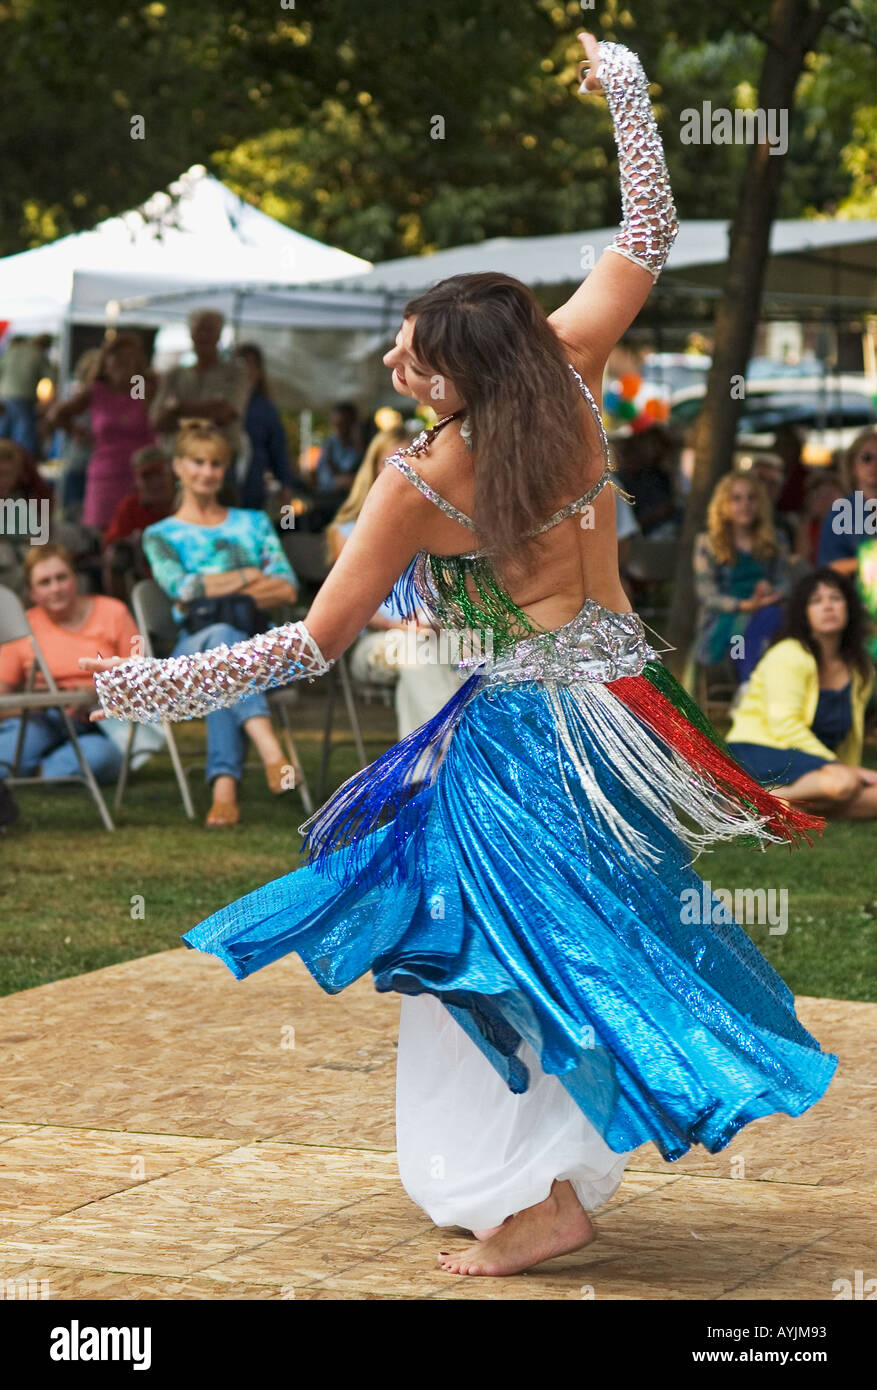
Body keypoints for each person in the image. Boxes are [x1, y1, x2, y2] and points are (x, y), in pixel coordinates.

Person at [84, 34, 836, 1281]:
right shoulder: (572, 371)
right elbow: (646, 230)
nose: (395, 362)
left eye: (416, 353)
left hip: (526, 742)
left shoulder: (423, 478)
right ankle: (542, 1175)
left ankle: (535, 1191)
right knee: (582, 939)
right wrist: (634, 91)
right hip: (622, 719)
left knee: (480, 950)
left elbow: (312, 640)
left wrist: (136, 680)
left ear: (466, 369)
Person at [139, 421, 300, 828]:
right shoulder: (160, 534)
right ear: (177, 466)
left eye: (216, 463)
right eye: (198, 462)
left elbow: (286, 589)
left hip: (254, 655)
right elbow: (182, 588)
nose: (207, 471)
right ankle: (269, 748)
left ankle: (225, 786)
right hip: (185, 656)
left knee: (224, 651)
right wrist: (249, 576)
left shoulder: (253, 522)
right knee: (222, 646)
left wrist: (214, 588)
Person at [326, 427, 469, 740]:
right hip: (376, 644)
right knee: (417, 650)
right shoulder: (349, 530)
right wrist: (408, 628)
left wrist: (441, 621)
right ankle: (450, 749)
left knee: (464, 650)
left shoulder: (442, 527)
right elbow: (353, 609)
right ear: (374, 468)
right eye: (388, 462)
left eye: (408, 461)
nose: (400, 470)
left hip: (440, 640)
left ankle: (420, 776)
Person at [726, 568, 877, 817]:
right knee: (843, 784)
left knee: (852, 789)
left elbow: (852, 734)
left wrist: (847, 768)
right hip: (763, 749)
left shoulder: (860, 670)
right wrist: (842, 769)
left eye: (835, 599)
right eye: (816, 601)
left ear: (849, 608)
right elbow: (785, 725)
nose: (828, 606)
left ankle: (781, 808)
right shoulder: (789, 654)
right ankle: (759, 800)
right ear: (804, 614)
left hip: (816, 765)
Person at [0, 544, 139, 784]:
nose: (55, 588)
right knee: (6, 753)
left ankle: (35, 774)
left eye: (61, 577)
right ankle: (48, 771)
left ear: (75, 579)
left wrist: (98, 693)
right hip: (44, 717)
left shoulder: (114, 612)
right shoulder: (22, 627)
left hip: (102, 720)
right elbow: (3, 700)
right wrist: (45, 704)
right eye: (45, 582)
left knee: (102, 757)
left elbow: (142, 678)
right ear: (32, 592)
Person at [46, 333, 158, 534]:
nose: (123, 363)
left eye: (129, 358)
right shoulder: (97, 391)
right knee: (102, 537)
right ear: (106, 361)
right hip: (105, 473)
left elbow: (142, 412)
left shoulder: (141, 388)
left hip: (140, 474)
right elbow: (56, 415)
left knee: (139, 531)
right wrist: (78, 432)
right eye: (118, 357)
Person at [693, 470, 791, 684]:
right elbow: (707, 595)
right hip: (724, 618)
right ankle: (750, 684)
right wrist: (746, 605)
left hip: (766, 610)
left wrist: (770, 591)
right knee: (753, 630)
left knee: (770, 617)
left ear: (761, 503)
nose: (744, 504)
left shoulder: (776, 539)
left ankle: (748, 686)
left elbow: (785, 582)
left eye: (751, 498)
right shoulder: (708, 543)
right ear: (723, 505)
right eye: (736, 498)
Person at [149, 310, 250, 462]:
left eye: (209, 330)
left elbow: (225, 414)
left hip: (219, 459)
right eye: (199, 330)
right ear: (191, 335)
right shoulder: (174, 375)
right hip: (178, 458)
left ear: (218, 335)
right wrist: (210, 408)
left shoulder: (235, 373)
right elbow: (158, 421)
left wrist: (178, 407)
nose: (203, 336)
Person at [101, 446, 176, 601]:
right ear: (137, 482)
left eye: (159, 474)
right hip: (147, 572)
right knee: (116, 555)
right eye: (147, 477)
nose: (155, 483)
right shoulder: (131, 505)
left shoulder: (186, 499)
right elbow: (111, 544)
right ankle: (123, 611)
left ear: (172, 475)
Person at [232, 343, 300, 512]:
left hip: (252, 488)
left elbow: (278, 450)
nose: (247, 370)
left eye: (252, 365)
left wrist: (285, 485)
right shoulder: (220, 404)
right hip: (222, 485)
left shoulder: (265, 409)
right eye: (241, 364)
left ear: (259, 371)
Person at [817, 427, 877, 576]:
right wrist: (868, 560)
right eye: (866, 458)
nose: (874, 465)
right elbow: (829, 567)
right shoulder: (842, 511)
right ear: (853, 465)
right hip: (857, 594)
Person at [0, 334, 53, 455]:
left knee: (4, 429)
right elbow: (50, 378)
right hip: (25, 397)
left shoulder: (12, 350)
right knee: (25, 435)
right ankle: (24, 463)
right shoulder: (38, 354)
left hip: (5, 396)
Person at [795, 468, 843, 568]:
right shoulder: (808, 525)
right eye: (819, 495)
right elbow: (802, 558)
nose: (824, 500)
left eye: (830, 494)